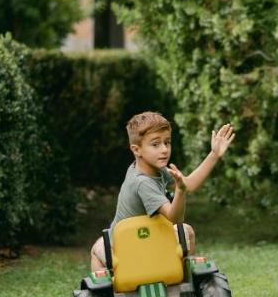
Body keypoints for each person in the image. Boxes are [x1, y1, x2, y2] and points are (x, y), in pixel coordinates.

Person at [90, 112, 235, 272]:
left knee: (96, 249)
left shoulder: (149, 170)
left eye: (167, 142)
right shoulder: (143, 182)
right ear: (136, 150)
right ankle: (184, 278)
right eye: (155, 144)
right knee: (186, 231)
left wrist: (213, 155)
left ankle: (108, 292)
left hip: (135, 241)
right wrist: (180, 190)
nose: (164, 149)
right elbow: (174, 218)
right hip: (128, 246)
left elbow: (189, 185)